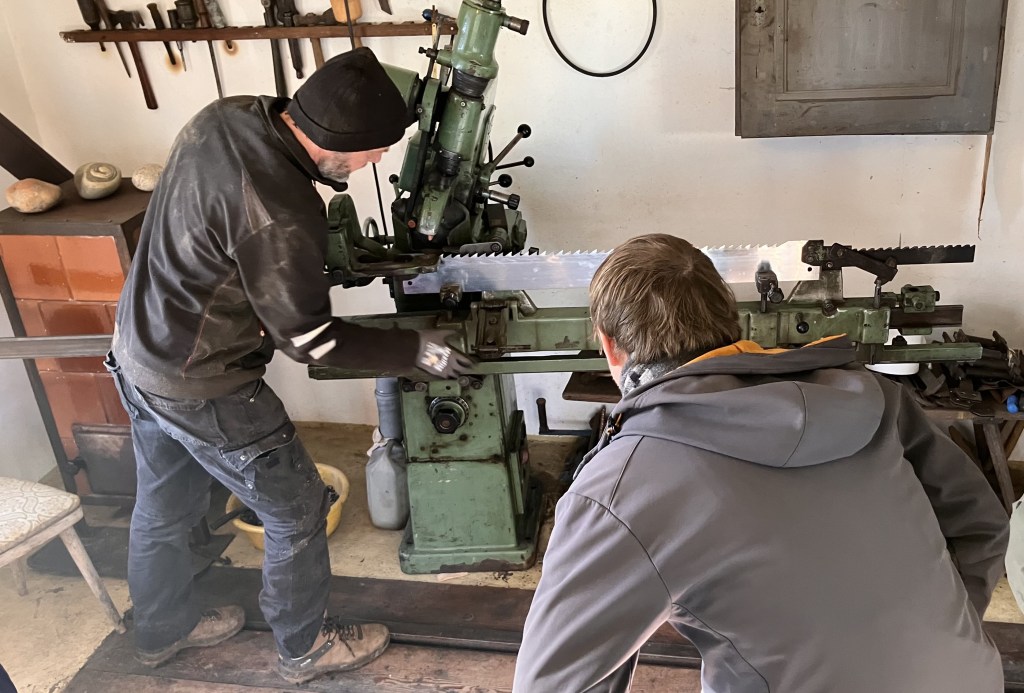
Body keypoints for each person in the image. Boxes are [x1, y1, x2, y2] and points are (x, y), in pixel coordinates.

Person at [107, 48, 472, 684]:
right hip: (205, 382)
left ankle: (161, 632)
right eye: (374, 151)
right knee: (297, 508)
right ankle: (304, 648)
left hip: (139, 352)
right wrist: (415, 349)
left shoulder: (225, 117)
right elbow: (312, 340)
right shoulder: (282, 209)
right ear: (338, 141)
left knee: (162, 509)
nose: (378, 162)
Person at [513, 234, 1009, 692]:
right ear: (733, 322)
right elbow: (982, 524)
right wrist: (937, 634)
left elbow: (553, 685)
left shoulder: (619, 488)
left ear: (609, 347)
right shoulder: (873, 397)